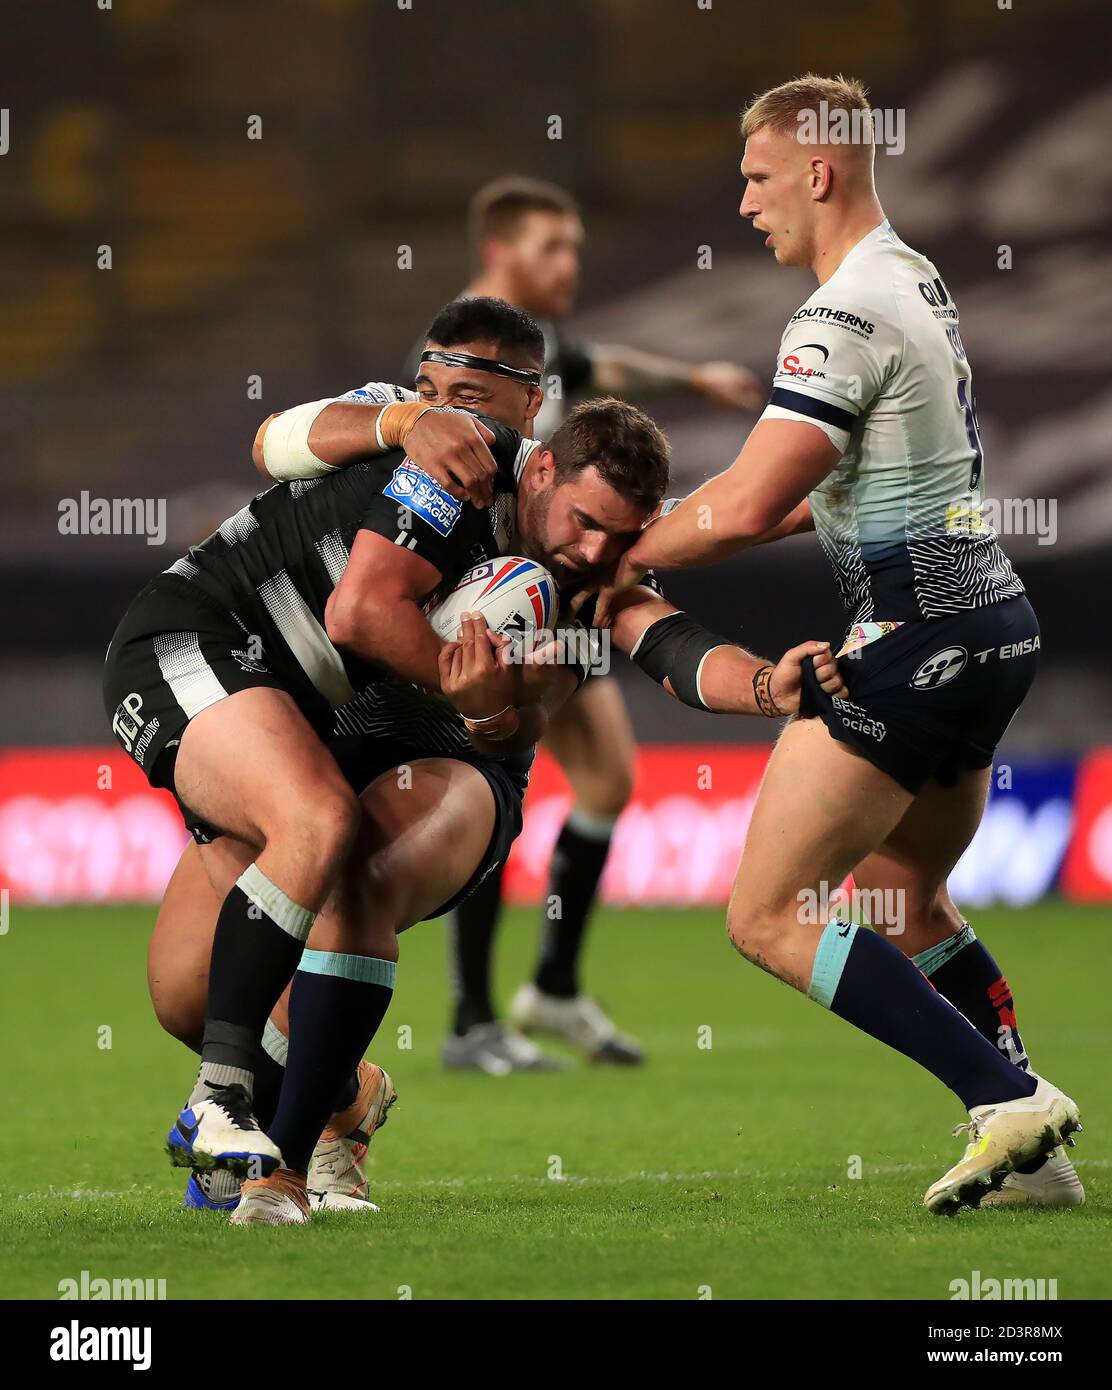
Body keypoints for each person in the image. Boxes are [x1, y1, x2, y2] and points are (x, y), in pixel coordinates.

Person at [603, 74, 1083, 1213]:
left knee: (769, 913)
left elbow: (745, 497)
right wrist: (653, 547)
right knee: (902, 895)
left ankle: (1002, 1098)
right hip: (989, 624)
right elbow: (773, 505)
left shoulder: (840, 312)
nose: (742, 203)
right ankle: (1038, 1161)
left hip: (914, 632)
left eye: (756, 177)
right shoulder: (910, 276)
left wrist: (610, 562)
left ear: (817, 172)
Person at [417, 177, 769, 1073]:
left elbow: (601, 366)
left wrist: (690, 377)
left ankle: (557, 991)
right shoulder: (467, 352)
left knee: (607, 780)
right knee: (492, 788)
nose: (570, 262)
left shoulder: (550, 354)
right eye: (551, 247)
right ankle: (469, 1019)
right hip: (492, 605)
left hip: (562, 600)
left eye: (575, 245)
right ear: (500, 254)